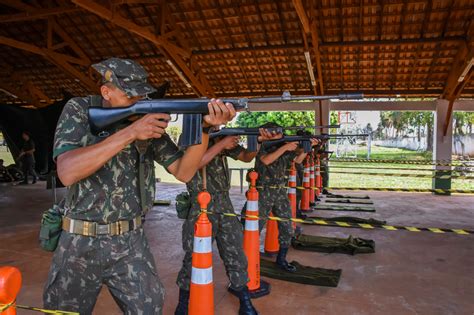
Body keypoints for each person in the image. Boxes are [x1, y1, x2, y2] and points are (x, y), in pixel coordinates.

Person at [43, 57, 236, 314]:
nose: (138, 102)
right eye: (130, 96)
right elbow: (67, 172)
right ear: (106, 92)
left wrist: (204, 129)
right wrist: (132, 132)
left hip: (130, 240)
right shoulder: (79, 109)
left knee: (150, 307)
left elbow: (184, 171)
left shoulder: (146, 120)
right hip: (79, 240)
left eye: (141, 96)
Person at [175, 128, 280, 315]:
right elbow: (193, 165)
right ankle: (184, 301)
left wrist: (257, 141)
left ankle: (244, 298)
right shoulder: (190, 137)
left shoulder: (220, 138)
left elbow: (246, 157)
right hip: (202, 204)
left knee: (236, 252)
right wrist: (222, 144)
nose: (220, 125)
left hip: (224, 204)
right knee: (194, 255)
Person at [252, 124, 316, 272]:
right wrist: (285, 147)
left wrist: (308, 146)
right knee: (253, 227)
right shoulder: (259, 145)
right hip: (263, 191)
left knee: (287, 227)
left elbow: (298, 160)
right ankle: (248, 258)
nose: (280, 136)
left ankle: (281, 259)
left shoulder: (283, 148)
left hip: (280, 191)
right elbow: (266, 160)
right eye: (277, 133)